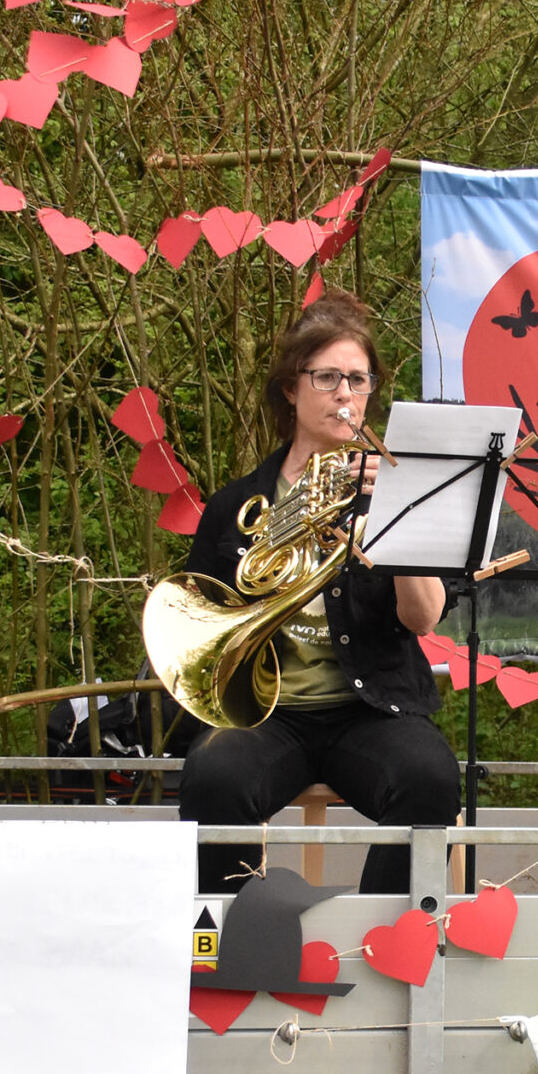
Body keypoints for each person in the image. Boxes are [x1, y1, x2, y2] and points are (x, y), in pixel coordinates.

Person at [175, 295, 461, 895]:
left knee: (429, 778)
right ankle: (234, 927)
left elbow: (423, 618)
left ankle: (382, 931)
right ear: (291, 388)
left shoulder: (398, 492)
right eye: (327, 378)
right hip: (266, 714)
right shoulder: (237, 504)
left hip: (371, 710)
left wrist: (396, 517)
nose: (345, 395)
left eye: (358, 379)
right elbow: (201, 617)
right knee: (214, 775)